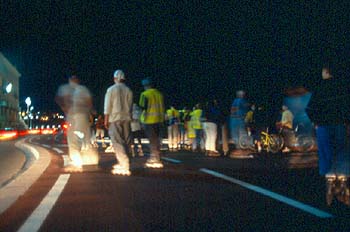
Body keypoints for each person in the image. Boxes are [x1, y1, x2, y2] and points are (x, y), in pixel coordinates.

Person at [307, 65, 349, 176]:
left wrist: (315, 122)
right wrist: (346, 121)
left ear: (326, 72)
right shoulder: (341, 87)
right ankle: (342, 177)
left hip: (323, 126)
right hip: (340, 124)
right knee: (341, 151)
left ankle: (327, 176)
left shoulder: (319, 88)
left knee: (325, 153)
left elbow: (309, 109)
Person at [55, 75, 98, 171]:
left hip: (73, 116)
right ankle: (89, 159)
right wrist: (90, 112)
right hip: (83, 117)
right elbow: (89, 102)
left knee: (73, 139)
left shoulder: (66, 88)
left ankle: (77, 162)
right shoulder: (83, 89)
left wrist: (64, 108)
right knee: (85, 138)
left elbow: (58, 99)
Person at [104, 70, 133, 176]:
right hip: (126, 118)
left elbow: (107, 106)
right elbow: (130, 106)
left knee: (117, 141)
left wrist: (106, 119)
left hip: (115, 118)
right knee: (127, 141)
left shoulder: (111, 89)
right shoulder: (128, 90)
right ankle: (128, 161)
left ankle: (124, 164)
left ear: (115, 78)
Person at [139, 78, 165, 168]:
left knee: (152, 140)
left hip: (149, 120)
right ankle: (157, 156)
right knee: (157, 140)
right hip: (159, 120)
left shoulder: (144, 94)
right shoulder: (159, 94)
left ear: (145, 86)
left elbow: (143, 109)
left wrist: (142, 121)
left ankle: (154, 158)